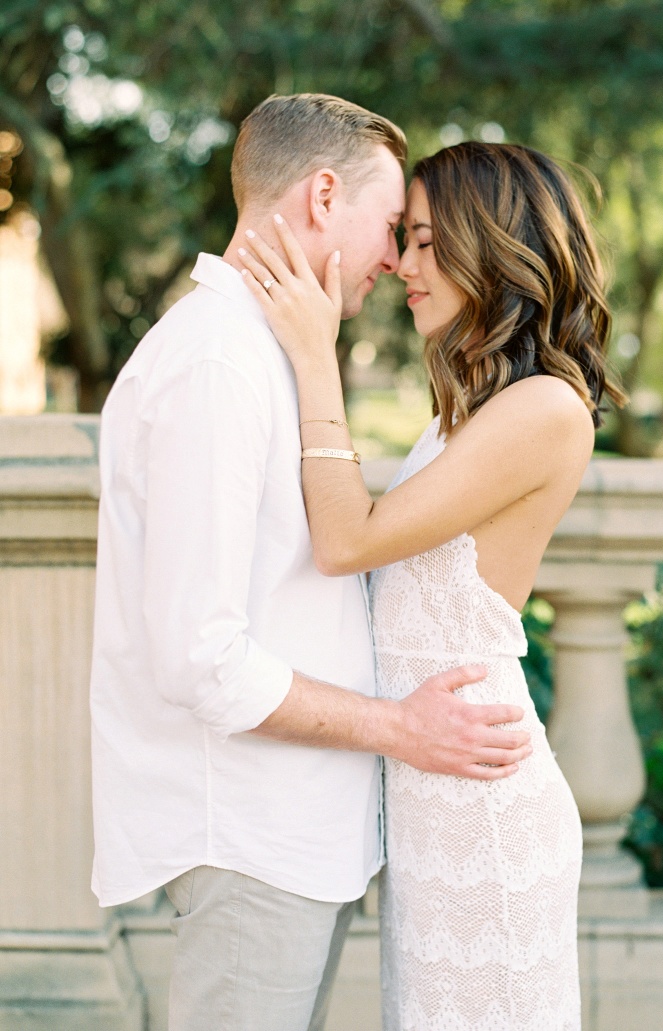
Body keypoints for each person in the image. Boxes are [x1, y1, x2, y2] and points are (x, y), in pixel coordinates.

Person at [89, 96, 533, 1031]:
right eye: (391, 228)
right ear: (323, 196)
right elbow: (200, 655)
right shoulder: (218, 363)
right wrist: (398, 726)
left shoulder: (268, 354)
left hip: (293, 833)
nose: (396, 259)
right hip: (251, 836)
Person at [239, 139, 627, 1031]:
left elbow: (347, 541)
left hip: (483, 801)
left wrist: (314, 357)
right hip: (431, 788)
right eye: (402, 240)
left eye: (421, 241)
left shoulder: (546, 407)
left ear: (488, 245)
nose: (400, 264)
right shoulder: (474, 405)